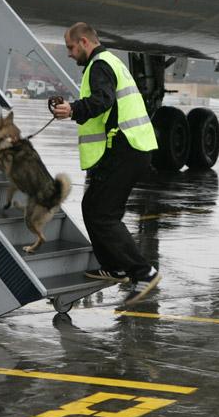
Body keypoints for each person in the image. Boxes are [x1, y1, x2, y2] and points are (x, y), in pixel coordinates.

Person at [50, 22, 161, 305]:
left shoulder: (99, 65)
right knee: (94, 208)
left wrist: (74, 109)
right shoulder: (106, 62)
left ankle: (143, 272)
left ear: (85, 42)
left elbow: (103, 100)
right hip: (129, 148)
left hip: (124, 148)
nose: (69, 54)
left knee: (103, 214)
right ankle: (116, 267)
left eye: (71, 48)